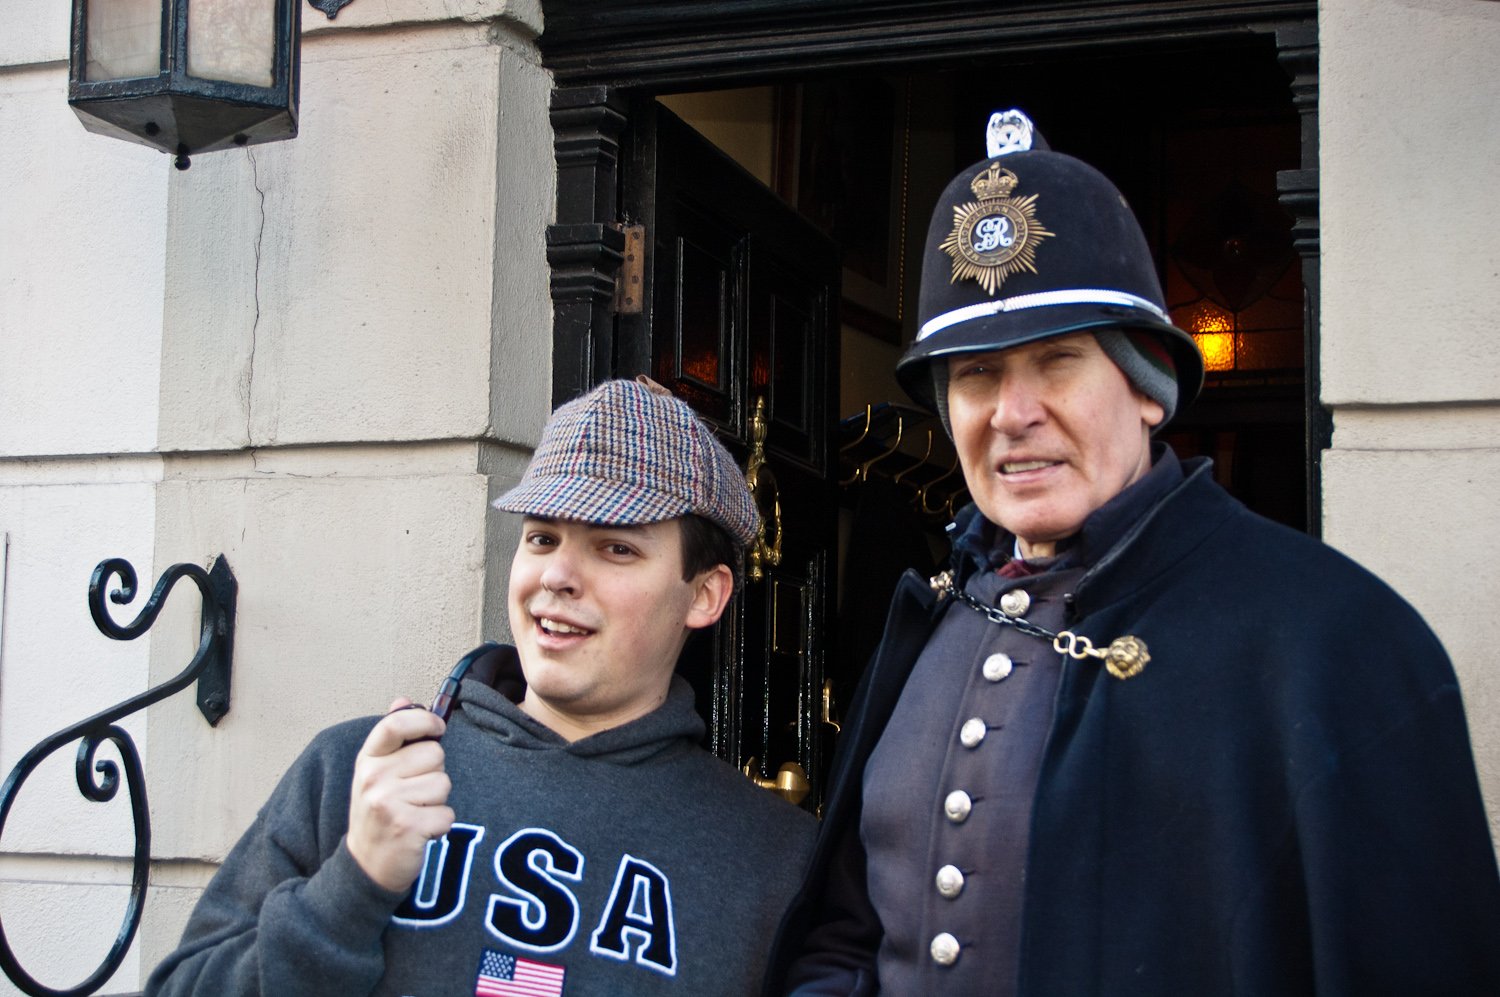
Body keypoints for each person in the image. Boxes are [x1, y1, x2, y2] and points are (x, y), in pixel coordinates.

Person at [768, 110, 1500, 996]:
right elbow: (849, 934)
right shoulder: (934, 616)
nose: (1013, 411)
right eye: (976, 374)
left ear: (1150, 389)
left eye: (1059, 360)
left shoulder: (1335, 636)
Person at [148, 377, 816, 997]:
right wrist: (353, 881)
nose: (557, 574)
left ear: (704, 593)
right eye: (541, 536)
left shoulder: (776, 861)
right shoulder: (357, 773)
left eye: (615, 547)